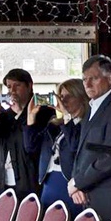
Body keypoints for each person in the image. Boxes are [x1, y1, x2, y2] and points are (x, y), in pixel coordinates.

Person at [69, 55, 111, 221]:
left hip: (110, 198)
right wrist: (76, 182)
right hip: (90, 194)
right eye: (84, 80)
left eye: (93, 79)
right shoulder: (92, 106)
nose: (87, 84)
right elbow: (83, 151)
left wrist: (79, 181)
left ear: (110, 78)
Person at [0, 68, 54, 201]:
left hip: (30, 182)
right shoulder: (5, 115)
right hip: (3, 182)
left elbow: (33, 146)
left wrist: (21, 114)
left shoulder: (44, 112)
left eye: (17, 85)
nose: (12, 91)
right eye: (9, 87)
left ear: (29, 86)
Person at [24, 78, 86, 213]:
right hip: (49, 182)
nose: (63, 100)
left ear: (81, 98)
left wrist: (66, 115)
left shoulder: (86, 124)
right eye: (61, 96)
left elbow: (75, 144)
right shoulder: (55, 125)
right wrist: (30, 116)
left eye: (69, 96)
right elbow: (30, 147)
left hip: (70, 184)